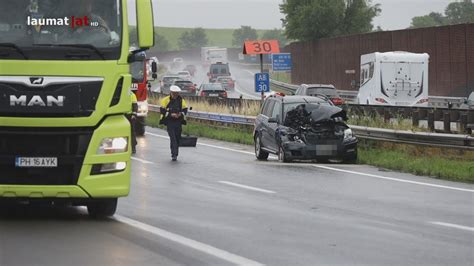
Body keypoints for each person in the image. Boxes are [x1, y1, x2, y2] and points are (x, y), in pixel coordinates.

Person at [160, 86, 188, 161]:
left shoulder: (181, 100)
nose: (176, 95)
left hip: (178, 121)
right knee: (173, 138)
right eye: (174, 93)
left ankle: (175, 153)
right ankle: (174, 154)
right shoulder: (165, 100)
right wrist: (170, 114)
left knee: (177, 137)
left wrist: (180, 114)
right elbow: (162, 110)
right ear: (171, 93)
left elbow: (185, 110)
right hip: (169, 121)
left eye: (177, 93)